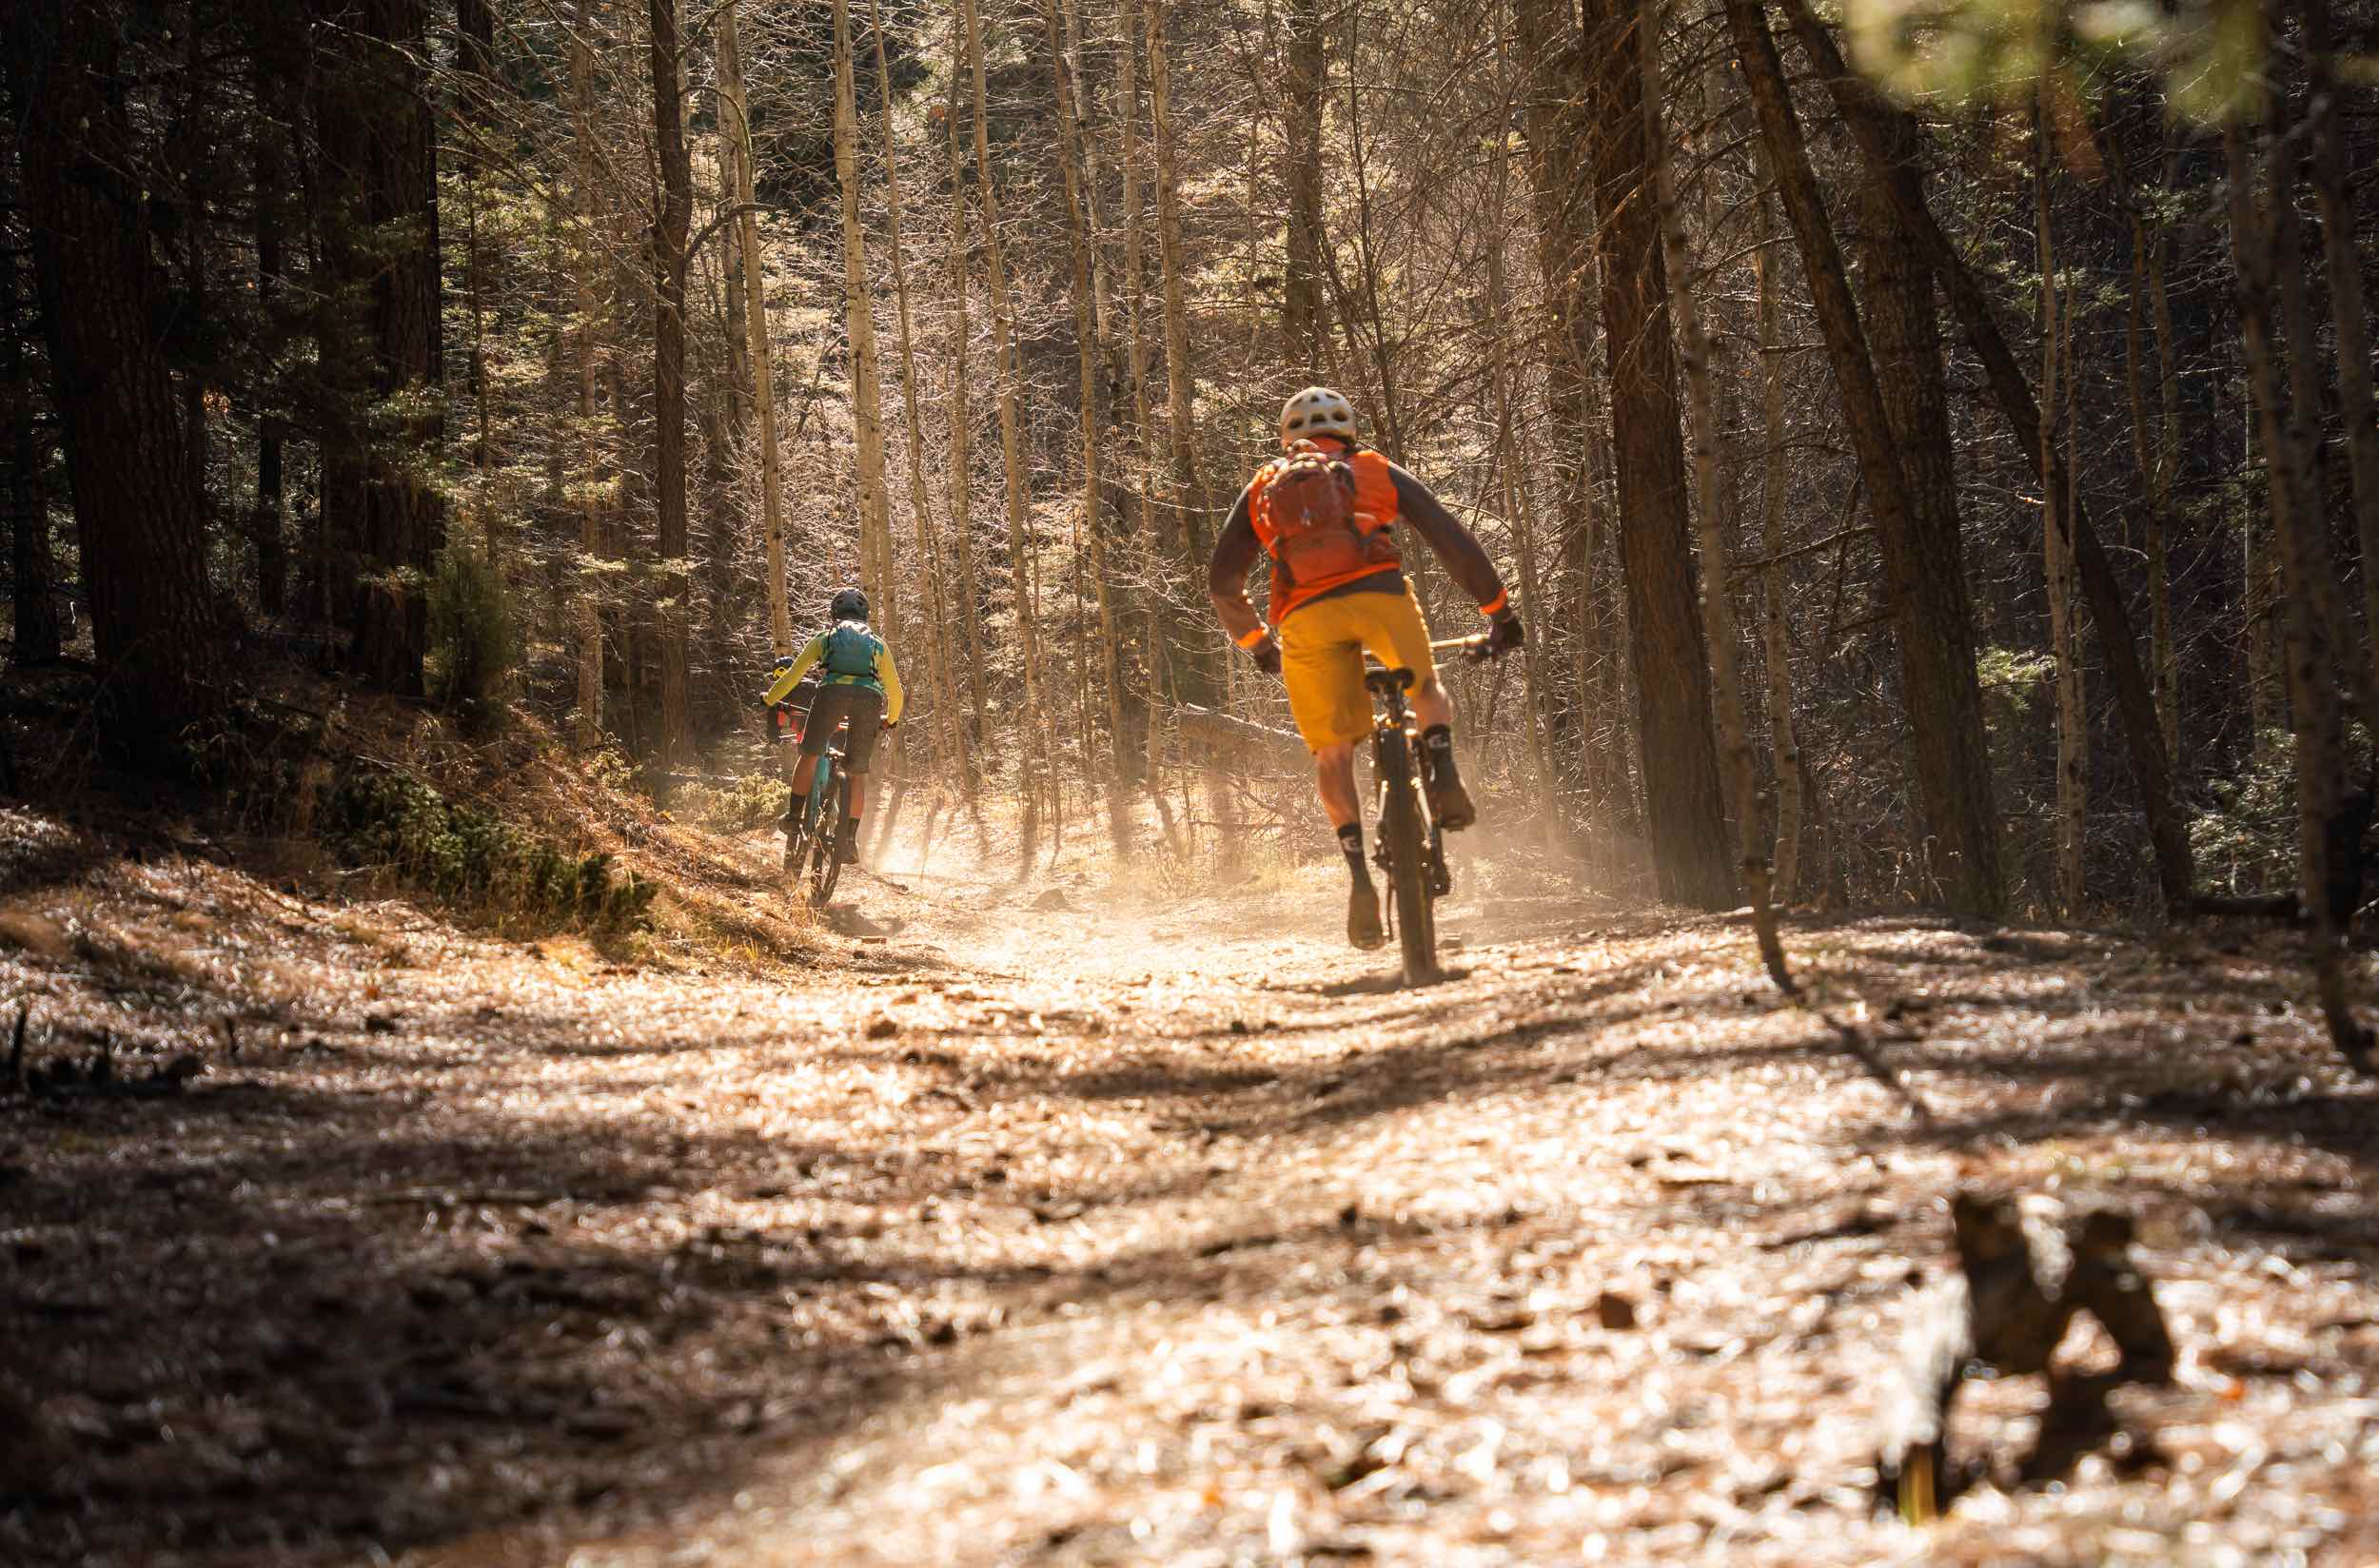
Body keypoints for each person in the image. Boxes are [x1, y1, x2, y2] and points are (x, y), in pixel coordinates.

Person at [1208, 386, 1524, 950]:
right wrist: (1498, 613)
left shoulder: (1263, 487)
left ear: (1288, 439)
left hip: (1305, 620)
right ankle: (1444, 772)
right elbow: (1448, 536)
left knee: (1332, 754)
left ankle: (1357, 876)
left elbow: (1222, 582)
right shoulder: (1373, 468)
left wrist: (1260, 645)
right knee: (1425, 686)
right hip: (1380, 598)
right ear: (1348, 433)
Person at [762, 586, 905, 866]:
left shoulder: (825, 638)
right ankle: (850, 840)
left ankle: (793, 817)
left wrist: (771, 699)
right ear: (865, 616)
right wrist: (891, 719)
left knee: (810, 755)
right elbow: (896, 691)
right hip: (869, 701)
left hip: (831, 695)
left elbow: (793, 676)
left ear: (834, 614)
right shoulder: (878, 645)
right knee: (856, 775)